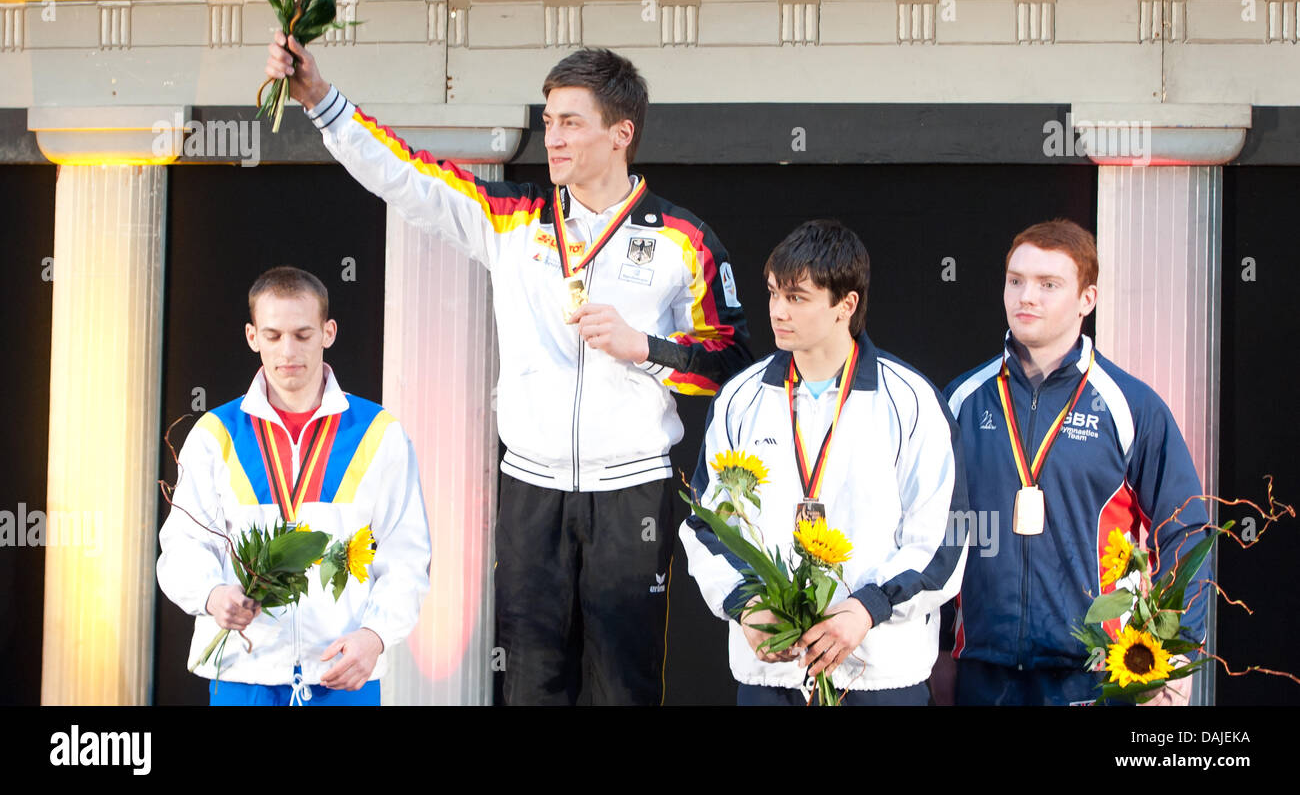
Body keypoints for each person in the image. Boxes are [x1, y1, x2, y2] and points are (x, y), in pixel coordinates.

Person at [264, 39, 751, 705]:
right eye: (548, 121)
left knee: (627, 688)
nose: (552, 137)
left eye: (571, 122)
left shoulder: (680, 239)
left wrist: (650, 348)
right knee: (529, 686)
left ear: (621, 133)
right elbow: (406, 176)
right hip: (531, 489)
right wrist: (322, 101)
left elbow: (733, 360)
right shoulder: (512, 218)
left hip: (633, 490)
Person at [680, 220, 967, 705]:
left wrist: (866, 610)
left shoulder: (912, 401)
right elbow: (705, 526)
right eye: (773, 293)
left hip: (878, 673)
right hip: (771, 672)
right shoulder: (740, 399)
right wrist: (746, 604)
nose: (777, 311)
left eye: (797, 297)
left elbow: (943, 539)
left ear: (846, 305)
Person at [939, 219, 1210, 705]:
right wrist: (934, 651)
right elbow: (930, 532)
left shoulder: (1129, 405)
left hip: (1095, 673)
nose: (1027, 297)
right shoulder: (962, 400)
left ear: (1087, 299)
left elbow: (1185, 528)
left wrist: (1175, 650)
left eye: (1049, 285)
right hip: (982, 671)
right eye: (1016, 280)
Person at [157, 267, 431, 705]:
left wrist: (375, 637)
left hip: (343, 671)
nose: (288, 351)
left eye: (303, 335)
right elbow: (182, 547)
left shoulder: (379, 433)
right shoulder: (215, 434)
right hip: (242, 673)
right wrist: (212, 595)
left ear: (329, 332)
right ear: (252, 337)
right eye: (273, 335)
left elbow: (407, 557)